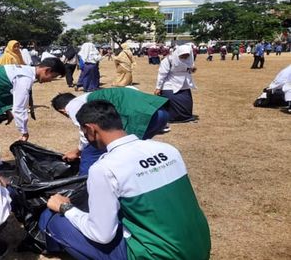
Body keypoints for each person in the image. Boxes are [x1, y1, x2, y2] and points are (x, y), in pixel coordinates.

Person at [39, 100, 211, 260]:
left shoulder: (105, 168)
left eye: (85, 133)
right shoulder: (168, 149)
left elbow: (102, 235)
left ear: (91, 129)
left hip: (158, 255)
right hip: (199, 247)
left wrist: (66, 207)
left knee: (53, 220)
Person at [51, 88, 169, 175]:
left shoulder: (72, 106)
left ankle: (85, 183)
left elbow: (86, 133)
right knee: (131, 151)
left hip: (141, 118)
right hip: (158, 112)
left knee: (90, 152)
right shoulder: (92, 95)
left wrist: (78, 152)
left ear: (62, 111)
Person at [154, 44, 197, 123]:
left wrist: (192, 69)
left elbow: (189, 69)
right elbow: (162, 74)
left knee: (186, 102)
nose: (184, 57)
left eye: (186, 55)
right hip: (169, 84)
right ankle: (170, 117)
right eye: (182, 55)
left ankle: (184, 117)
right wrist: (158, 87)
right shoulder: (168, 60)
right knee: (171, 100)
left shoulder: (190, 59)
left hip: (184, 84)